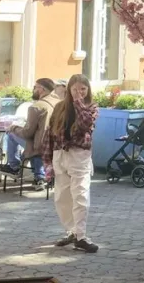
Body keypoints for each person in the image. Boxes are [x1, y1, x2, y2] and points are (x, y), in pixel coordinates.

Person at [43, 73, 99, 253]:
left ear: (88, 90)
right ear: (69, 89)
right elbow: (50, 134)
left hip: (79, 156)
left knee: (80, 196)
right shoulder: (59, 107)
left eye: (83, 89)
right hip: (60, 155)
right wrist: (47, 162)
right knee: (62, 198)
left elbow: (85, 123)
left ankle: (81, 236)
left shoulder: (91, 107)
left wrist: (78, 102)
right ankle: (72, 231)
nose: (79, 92)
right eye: (75, 89)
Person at [0, 78, 58, 190]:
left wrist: (14, 127)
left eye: (35, 87)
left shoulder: (37, 106)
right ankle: (39, 177)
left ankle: (14, 167)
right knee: (33, 143)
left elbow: (27, 133)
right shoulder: (59, 102)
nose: (33, 90)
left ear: (42, 89)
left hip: (41, 145)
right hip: (56, 144)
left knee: (11, 134)